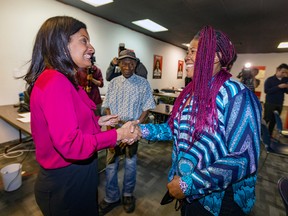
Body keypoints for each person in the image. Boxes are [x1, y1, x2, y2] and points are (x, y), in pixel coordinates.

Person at [23, 16, 141, 216]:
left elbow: (71, 123)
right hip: (67, 185)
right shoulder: (55, 82)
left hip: (75, 180)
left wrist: (97, 121)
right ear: (61, 43)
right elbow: (71, 144)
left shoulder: (64, 80)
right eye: (84, 40)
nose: (91, 48)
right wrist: (118, 135)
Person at [139, 25, 262, 216]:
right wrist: (140, 130)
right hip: (189, 192)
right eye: (187, 51)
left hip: (220, 200)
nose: (187, 56)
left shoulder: (237, 96)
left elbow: (245, 158)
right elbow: (173, 129)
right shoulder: (190, 92)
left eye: (193, 51)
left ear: (214, 57)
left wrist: (190, 183)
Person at [99, 49, 156, 215]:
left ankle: (128, 194)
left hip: (131, 129)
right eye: (124, 62)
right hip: (114, 129)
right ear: (119, 64)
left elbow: (147, 108)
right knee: (111, 165)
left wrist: (136, 125)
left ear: (136, 64)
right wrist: (110, 126)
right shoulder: (113, 83)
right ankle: (111, 197)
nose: (128, 66)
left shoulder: (143, 83)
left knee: (130, 164)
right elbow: (107, 105)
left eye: (131, 63)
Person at [263, 63, 288, 135]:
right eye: (282, 72)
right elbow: (266, 91)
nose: (284, 74)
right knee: (267, 119)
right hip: (270, 102)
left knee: (274, 120)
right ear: (277, 70)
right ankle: (260, 134)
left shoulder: (285, 80)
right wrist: (278, 87)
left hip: (279, 103)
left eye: (286, 72)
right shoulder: (270, 79)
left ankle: (269, 134)